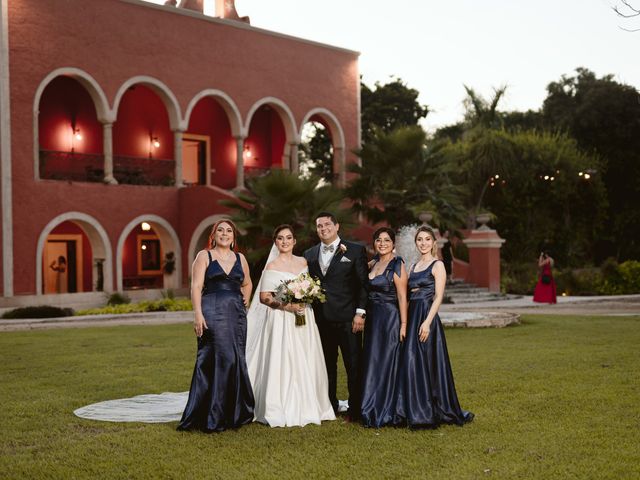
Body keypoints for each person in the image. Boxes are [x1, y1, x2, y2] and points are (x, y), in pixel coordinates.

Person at [246, 225, 335, 427]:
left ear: (294, 241)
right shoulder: (271, 266)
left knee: (305, 355)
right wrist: (287, 306)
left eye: (288, 238)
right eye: (280, 238)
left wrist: (306, 298)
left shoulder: (303, 262)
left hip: (304, 316)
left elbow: (310, 285)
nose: (284, 241)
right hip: (280, 319)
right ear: (275, 242)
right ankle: (279, 405)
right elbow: (264, 297)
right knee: (283, 357)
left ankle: (309, 403)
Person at [178, 219, 255, 432]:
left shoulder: (241, 258)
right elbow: (196, 286)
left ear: (233, 237)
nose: (224, 233)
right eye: (220, 230)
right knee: (213, 359)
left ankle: (233, 412)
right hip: (211, 312)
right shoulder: (204, 256)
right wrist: (198, 314)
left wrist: (245, 301)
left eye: (229, 230)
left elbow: (247, 282)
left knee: (234, 358)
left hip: (236, 316)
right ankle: (210, 413)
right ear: (214, 235)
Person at [396, 225, 474, 428]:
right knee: (411, 362)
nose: (423, 243)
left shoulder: (437, 265)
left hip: (426, 317)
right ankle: (414, 407)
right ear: (416, 243)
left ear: (433, 243)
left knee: (429, 363)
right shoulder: (413, 266)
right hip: (413, 315)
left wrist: (428, 322)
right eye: (419, 239)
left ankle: (433, 408)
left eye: (427, 239)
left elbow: (438, 296)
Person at [304, 212, 368, 421]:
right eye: (319, 225)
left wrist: (360, 313)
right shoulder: (309, 254)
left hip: (348, 319)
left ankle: (356, 409)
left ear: (337, 226)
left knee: (354, 365)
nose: (323, 228)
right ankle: (329, 406)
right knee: (326, 366)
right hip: (321, 320)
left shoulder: (355, 250)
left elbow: (362, 286)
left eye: (327, 224)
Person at [360, 227, 408, 428]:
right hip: (372, 320)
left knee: (388, 362)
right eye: (378, 240)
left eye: (386, 240)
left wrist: (404, 324)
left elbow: (402, 296)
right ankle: (370, 405)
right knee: (373, 361)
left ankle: (388, 408)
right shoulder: (372, 264)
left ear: (393, 244)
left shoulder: (397, 264)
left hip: (390, 318)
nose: (382, 243)